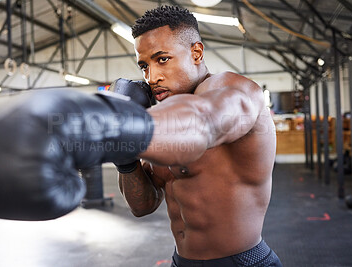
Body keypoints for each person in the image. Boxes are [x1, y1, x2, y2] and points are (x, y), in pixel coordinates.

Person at [115, 5, 282, 267]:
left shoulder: (233, 90)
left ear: (196, 52)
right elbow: (143, 206)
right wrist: (125, 158)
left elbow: (203, 124)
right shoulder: (164, 119)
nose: (152, 77)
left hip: (242, 263)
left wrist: (120, 125)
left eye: (162, 59)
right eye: (143, 66)